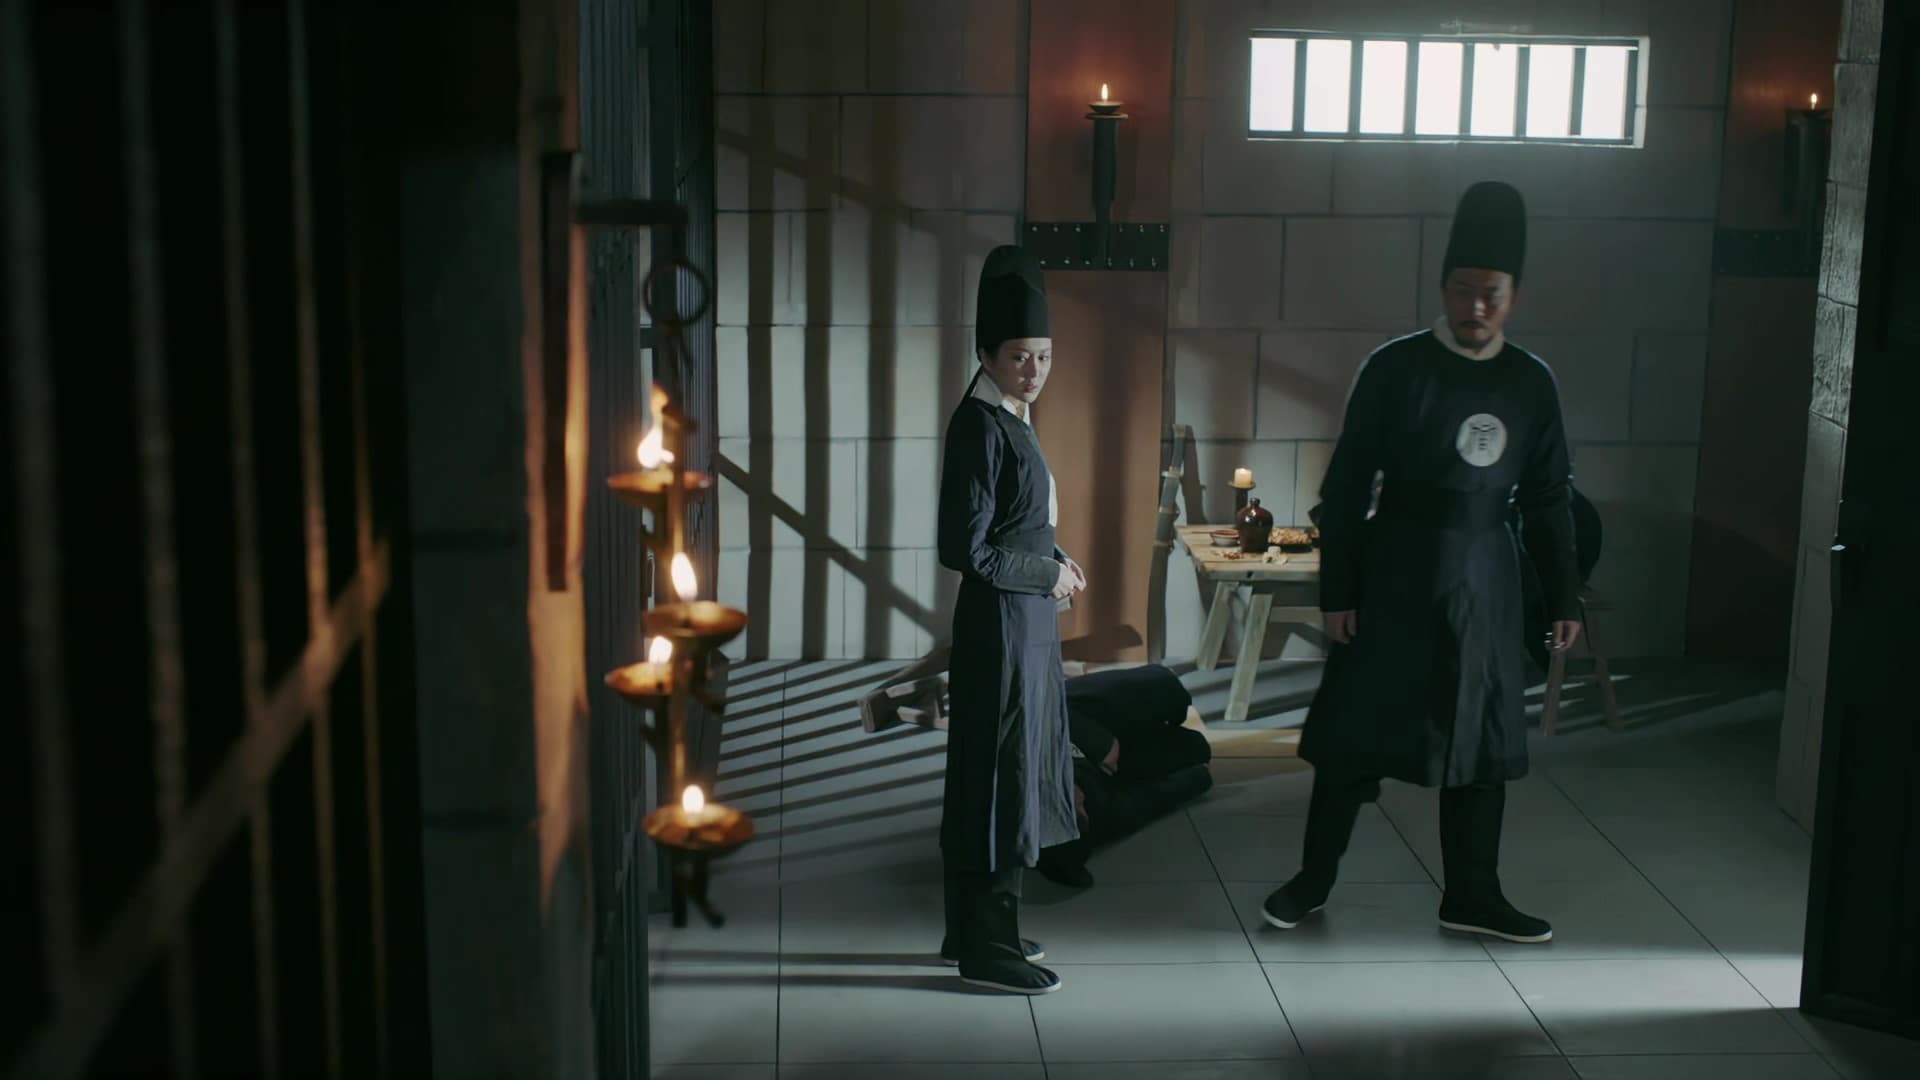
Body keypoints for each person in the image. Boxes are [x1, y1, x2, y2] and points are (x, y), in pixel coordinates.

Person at [1262, 181, 1581, 945]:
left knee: (1480, 745)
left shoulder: (1530, 382)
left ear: (1513, 296)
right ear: (1443, 288)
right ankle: (1313, 879)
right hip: (1395, 572)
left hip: (1486, 582)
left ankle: (1473, 894)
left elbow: (1548, 499)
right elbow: (1345, 488)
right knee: (1353, 740)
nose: (1477, 308)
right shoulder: (1396, 368)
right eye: (1464, 291)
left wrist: (1564, 596)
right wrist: (1339, 588)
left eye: (1492, 294)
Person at [934, 246, 1084, 994]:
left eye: (1044, 356)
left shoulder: (1013, 416)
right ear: (986, 355)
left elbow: (1019, 523)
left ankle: (975, 928)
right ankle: (986, 946)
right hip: (1000, 628)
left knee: (1008, 768)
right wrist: (1048, 574)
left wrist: (1056, 557)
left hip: (1024, 622)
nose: (1034, 371)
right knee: (1000, 775)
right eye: (1021, 357)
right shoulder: (981, 425)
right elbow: (965, 549)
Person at [1035, 664, 1214, 889]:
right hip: (1114, 763)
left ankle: (1165, 690)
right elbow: (1147, 801)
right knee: (1196, 749)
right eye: (1082, 811)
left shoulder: (1014, 777)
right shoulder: (1096, 813)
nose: (1081, 800)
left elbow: (1037, 705)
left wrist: (1099, 743)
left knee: (1167, 689)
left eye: (1073, 805)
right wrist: (1200, 777)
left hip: (1073, 713)